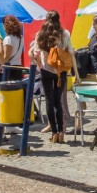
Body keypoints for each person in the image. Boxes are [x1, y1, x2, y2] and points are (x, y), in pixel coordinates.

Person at [29, 11, 75, 143]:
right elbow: (70, 52)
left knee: (49, 101)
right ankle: (61, 132)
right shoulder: (64, 34)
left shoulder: (40, 34)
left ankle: (54, 133)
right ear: (58, 19)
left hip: (46, 70)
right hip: (61, 71)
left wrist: (40, 65)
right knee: (58, 101)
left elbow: (35, 53)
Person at [1, 15, 25, 79]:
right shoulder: (20, 38)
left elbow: (6, 57)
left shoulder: (8, 38)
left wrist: (1, 65)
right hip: (18, 65)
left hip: (10, 67)